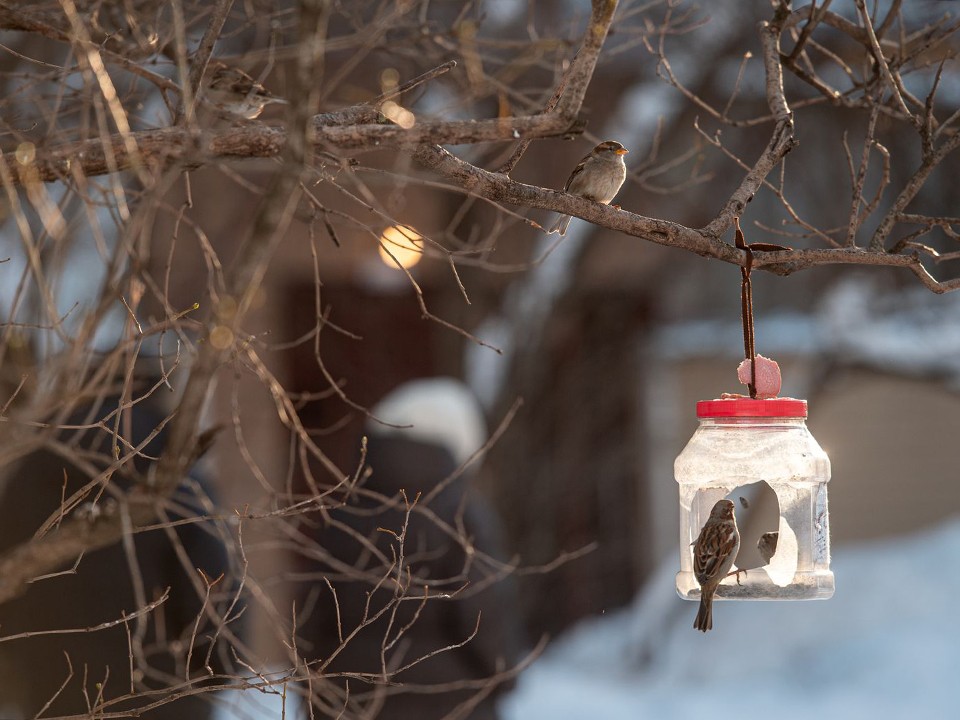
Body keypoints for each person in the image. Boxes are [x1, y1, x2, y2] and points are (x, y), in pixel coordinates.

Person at [0, 388, 238, 719]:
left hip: (53, 695)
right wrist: (220, 667)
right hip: (162, 696)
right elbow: (214, 594)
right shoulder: (175, 477)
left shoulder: (31, 470)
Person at [298, 378, 523, 719]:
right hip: (449, 704)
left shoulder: (342, 515)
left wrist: (314, 697)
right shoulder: (460, 515)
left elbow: (311, 619)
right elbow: (483, 614)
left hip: (349, 704)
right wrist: (505, 673)